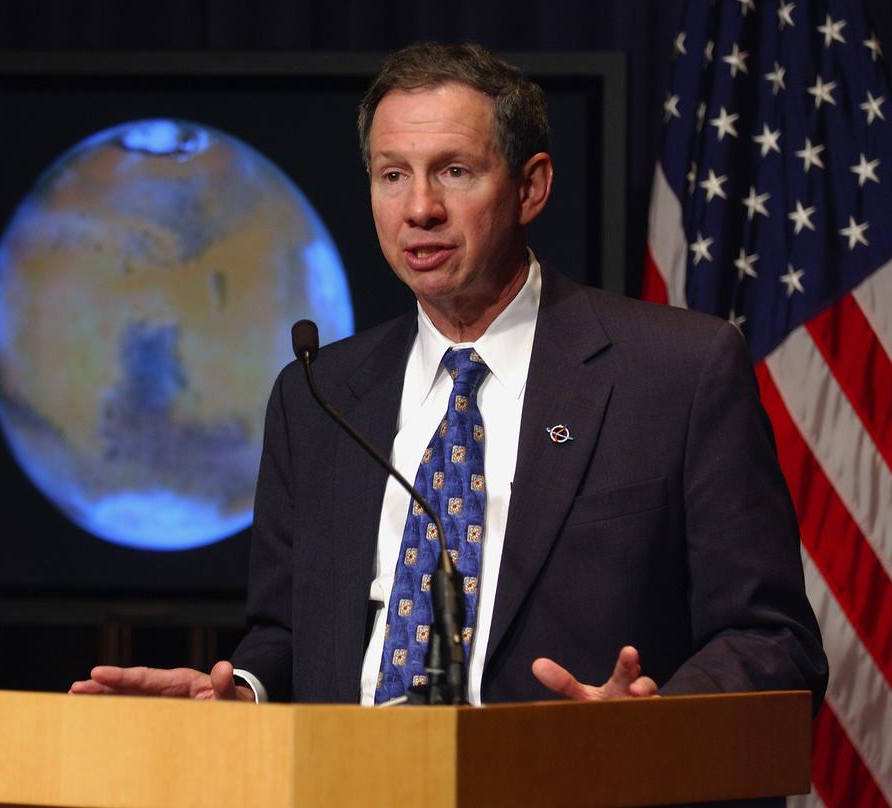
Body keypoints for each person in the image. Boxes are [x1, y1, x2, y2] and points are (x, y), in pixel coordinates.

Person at [70, 41, 827, 709]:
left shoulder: (678, 372)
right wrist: (240, 688)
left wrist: (643, 721)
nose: (419, 208)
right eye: (392, 175)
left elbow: (772, 640)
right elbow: (286, 635)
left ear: (530, 187)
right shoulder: (316, 395)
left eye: (454, 172)